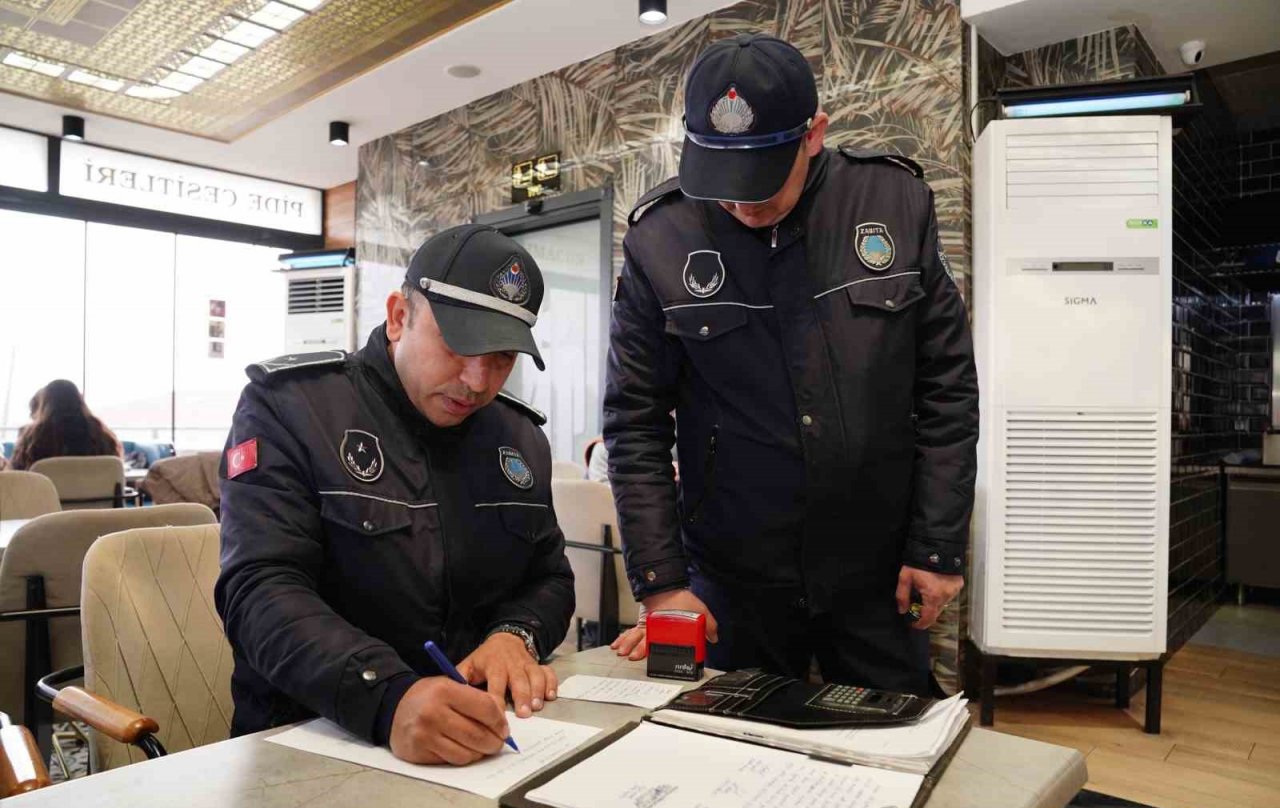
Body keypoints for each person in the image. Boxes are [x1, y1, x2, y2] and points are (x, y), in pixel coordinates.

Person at [605, 34, 979, 696]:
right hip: (731, 576)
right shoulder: (659, 239)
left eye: (761, 178)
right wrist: (661, 580)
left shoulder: (895, 203)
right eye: (722, 180)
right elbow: (635, 422)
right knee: (728, 745)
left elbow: (947, 388)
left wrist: (937, 547)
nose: (741, 204)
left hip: (875, 571)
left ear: (813, 135)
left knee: (888, 742)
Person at [216, 224, 575, 766]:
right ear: (399, 316)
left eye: (502, 357)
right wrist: (386, 697)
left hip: (481, 742)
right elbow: (259, 590)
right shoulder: (292, 408)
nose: (477, 381)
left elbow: (549, 578)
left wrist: (515, 635)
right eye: (459, 345)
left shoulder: (518, 437)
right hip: (313, 736)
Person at [10, 379, 122, 470]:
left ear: (44, 406)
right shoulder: (102, 436)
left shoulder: (32, 439)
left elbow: (18, 474)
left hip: (45, 492)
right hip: (96, 492)